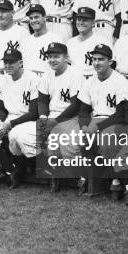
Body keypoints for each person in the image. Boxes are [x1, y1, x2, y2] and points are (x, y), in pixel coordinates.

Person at [72, 44, 128, 201]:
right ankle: (90, 179)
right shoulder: (89, 81)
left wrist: (97, 126)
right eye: (94, 59)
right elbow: (83, 110)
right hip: (96, 119)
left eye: (101, 59)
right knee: (82, 138)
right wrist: (85, 126)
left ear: (110, 62)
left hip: (117, 121)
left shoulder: (121, 81)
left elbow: (121, 114)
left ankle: (116, 179)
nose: (97, 63)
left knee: (107, 140)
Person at [37, 42, 81, 193]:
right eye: (49, 57)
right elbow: (42, 99)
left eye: (56, 56)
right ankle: (54, 174)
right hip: (52, 117)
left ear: (66, 57)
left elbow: (75, 105)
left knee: (69, 148)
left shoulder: (75, 75)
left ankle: (82, 176)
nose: (52, 60)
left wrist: (54, 122)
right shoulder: (47, 74)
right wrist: (43, 117)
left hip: (71, 117)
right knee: (47, 144)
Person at [0, 49, 40, 189]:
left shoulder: (33, 79)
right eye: (5, 62)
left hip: (30, 120)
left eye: (11, 62)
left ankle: (25, 167)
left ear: (20, 63)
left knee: (15, 134)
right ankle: (9, 169)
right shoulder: (2, 80)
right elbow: (1, 108)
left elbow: (34, 112)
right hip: (11, 117)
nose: (7, 65)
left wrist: (9, 124)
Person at [0, 0, 29, 72]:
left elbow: (27, 60)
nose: (0, 15)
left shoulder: (22, 32)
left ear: (13, 13)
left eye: (4, 12)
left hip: (13, 75)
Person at [66, 7, 112, 80]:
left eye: (85, 20)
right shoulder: (70, 43)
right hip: (75, 82)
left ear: (93, 23)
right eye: (79, 20)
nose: (81, 23)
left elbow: (110, 66)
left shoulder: (103, 42)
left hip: (95, 81)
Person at [20, 4, 64, 76]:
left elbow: (62, 66)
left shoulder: (55, 39)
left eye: (36, 17)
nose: (33, 20)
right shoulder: (25, 41)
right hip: (27, 81)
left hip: (47, 81)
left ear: (44, 17)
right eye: (31, 18)